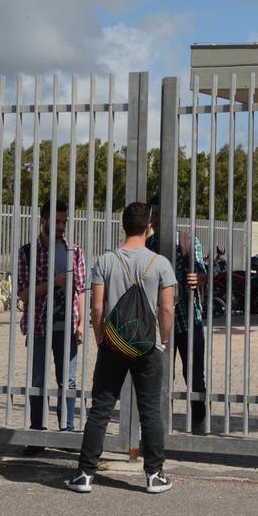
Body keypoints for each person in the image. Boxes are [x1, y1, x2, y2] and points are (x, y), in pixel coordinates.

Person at [68, 202, 177, 494]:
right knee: (150, 411)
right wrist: (162, 341)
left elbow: (96, 308)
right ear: (149, 227)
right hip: (148, 346)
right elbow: (166, 309)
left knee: (101, 409)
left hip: (113, 344)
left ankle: (85, 475)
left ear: (123, 226)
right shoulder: (160, 263)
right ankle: (154, 476)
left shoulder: (105, 261)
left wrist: (101, 338)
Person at [17, 200, 86, 454]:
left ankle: (66, 433)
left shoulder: (74, 251)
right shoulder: (27, 252)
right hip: (38, 325)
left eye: (64, 222)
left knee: (67, 380)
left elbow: (79, 289)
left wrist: (80, 323)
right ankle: (36, 434)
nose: (60, 226)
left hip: (67, 325)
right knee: (37, 379)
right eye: (56, 221)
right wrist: (54, 283)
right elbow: (24, 295)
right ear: (43, 221)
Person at [146, 195, 209, 434]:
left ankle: (199, 425)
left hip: (189, 320)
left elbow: (202, 274)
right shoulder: (148, 246)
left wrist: (199, 278)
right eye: (154, 215)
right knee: (162, 376)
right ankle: (162, 425)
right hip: (160, 322)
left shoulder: (187, 241)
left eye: (162, 214)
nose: (157, 219)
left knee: (194, 376)